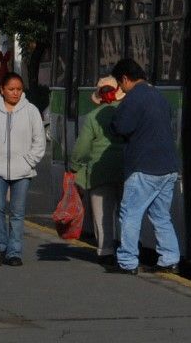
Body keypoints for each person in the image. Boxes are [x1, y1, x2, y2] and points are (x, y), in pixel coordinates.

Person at [107, 58, 180, 275]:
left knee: (130, 213)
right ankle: (170, 259)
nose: (121, 89)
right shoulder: (159, 96)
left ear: (125, 79)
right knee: (160, 215)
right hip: (168, 167)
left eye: (121, 85)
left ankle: (127, 262)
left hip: (143, 167)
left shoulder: (134, 98)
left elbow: (120, 127)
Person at [0, 72, 45, 267]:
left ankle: (14, 251)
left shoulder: (31, 111)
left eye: (19, 89)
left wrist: (28, 162)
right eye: (11, 89)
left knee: (17, 211)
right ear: (2, 90)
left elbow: (39, 142)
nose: (15, 93)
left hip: (22, 171)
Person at [70, 76, 125, 266]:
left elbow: (83, 147)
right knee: (126, 212)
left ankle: (106, 250)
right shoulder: (126, 112)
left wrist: (74, 166)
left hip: (100, 171)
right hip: (126, 168)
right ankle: (128, 249)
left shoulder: (93, 117)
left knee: (102, 213)